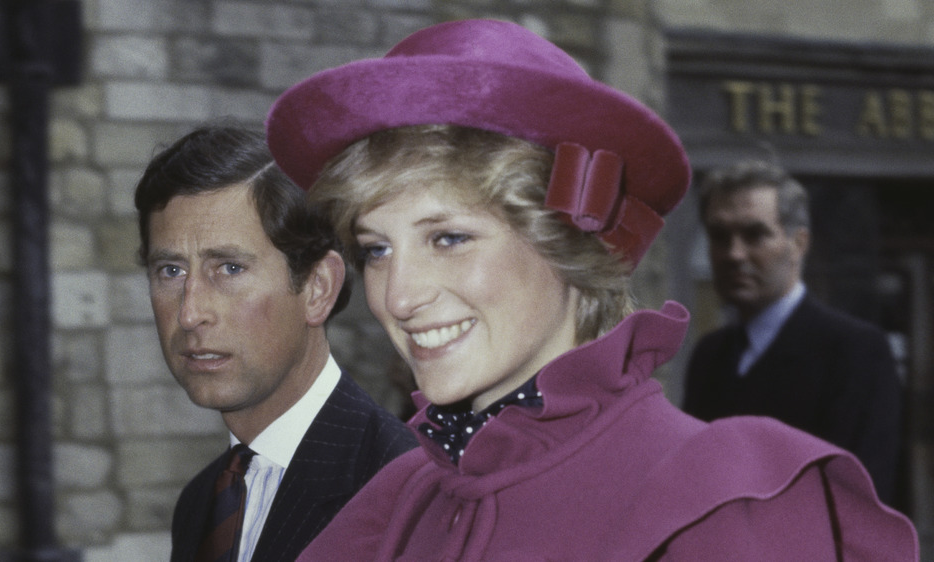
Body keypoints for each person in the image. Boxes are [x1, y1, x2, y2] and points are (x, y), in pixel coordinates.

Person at [266, 19, 918, 561]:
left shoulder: (724, 501)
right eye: (376, 249)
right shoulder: (393, 505)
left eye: (448, 238)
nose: (398, 296)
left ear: (569, 247)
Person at [133, 125, 417, 562]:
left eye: (229, 269)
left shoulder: (404, 489)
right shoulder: (200, 503)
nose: (190, 313)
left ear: (318, 288)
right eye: (170, 271)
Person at [682, 159, 904, 504]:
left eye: (755, 234)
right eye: (719, 236)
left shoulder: (855, 351)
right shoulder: (710, 355)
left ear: (798, 244)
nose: (733, 254)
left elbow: (860, 504)